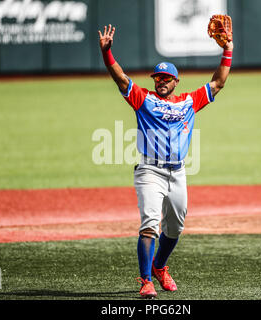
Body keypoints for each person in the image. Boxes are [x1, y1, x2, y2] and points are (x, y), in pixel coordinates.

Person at [98, 24, 233, 299]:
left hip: (178, 172)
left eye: (165, 78)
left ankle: (160, 267)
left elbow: (218, 83)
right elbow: (121, 79)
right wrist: (107, 54)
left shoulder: (188, 102)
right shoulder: (143, 98)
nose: (160, 81)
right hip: (149, 170)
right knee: (150, 223)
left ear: (175, 82)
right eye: (157, 77)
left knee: (176, 227)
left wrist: (227, 50)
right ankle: (145, 280)